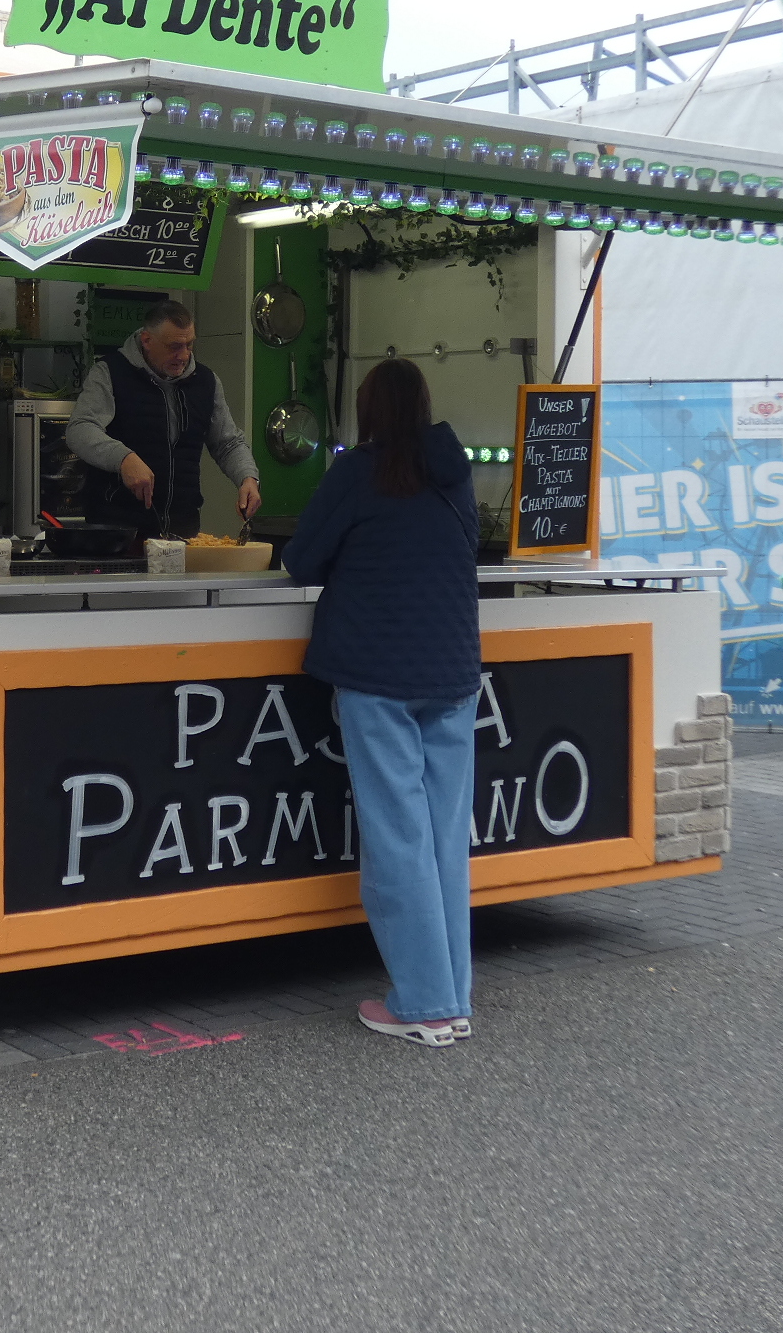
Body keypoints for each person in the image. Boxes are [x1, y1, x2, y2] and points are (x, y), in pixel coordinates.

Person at [279, 357, 482, 1049]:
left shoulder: (356, 474)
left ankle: (424, 1004)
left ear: (369, 411)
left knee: (398, 837)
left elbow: (302, 560)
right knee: (445, 838)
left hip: (378, 671)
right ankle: (451, 997)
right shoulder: (455, 474)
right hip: (453, 670)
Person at [66, 300, 261, 539]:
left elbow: (228, 443)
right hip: (117, 533)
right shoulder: (110, 372)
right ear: (147, 340)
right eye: (174, 347)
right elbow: (80, 429)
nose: (184, 355)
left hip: (183, 531)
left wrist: (247, 477)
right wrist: (123, 459)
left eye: (189, 344)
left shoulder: (206, 382)